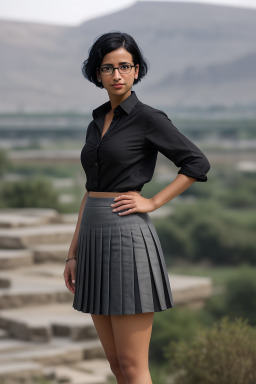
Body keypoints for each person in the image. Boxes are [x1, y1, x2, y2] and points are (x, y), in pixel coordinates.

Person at [63, 31, 210, 384]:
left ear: (136, 70)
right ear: (96, 74)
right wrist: (73, 253)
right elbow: (90, 190)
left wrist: (153, 201)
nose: (116, 75)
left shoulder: (148, 118)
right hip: (93, 240)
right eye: (107, 68)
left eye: (124, 66)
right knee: (115, 365)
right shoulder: (96, 122)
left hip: (126, 238)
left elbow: (197, 163)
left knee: (132, 366)